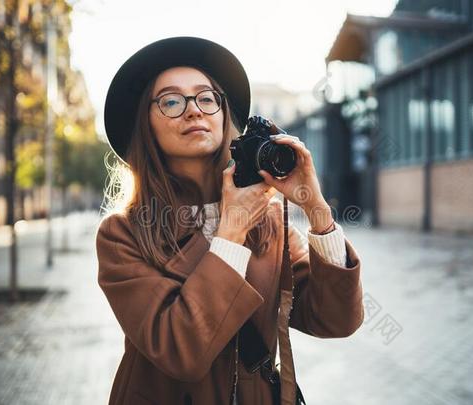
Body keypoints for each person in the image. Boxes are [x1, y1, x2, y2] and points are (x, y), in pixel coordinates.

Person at [96, 36, 364, 405]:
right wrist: (231, 229)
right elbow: (181, 351)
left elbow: (335, 321)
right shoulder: (121, 234)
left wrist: (316, 209)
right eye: (171, 101)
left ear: (224, 116)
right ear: (146, 126)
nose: (194, 110)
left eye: (207, 98)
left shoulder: (269, 220)